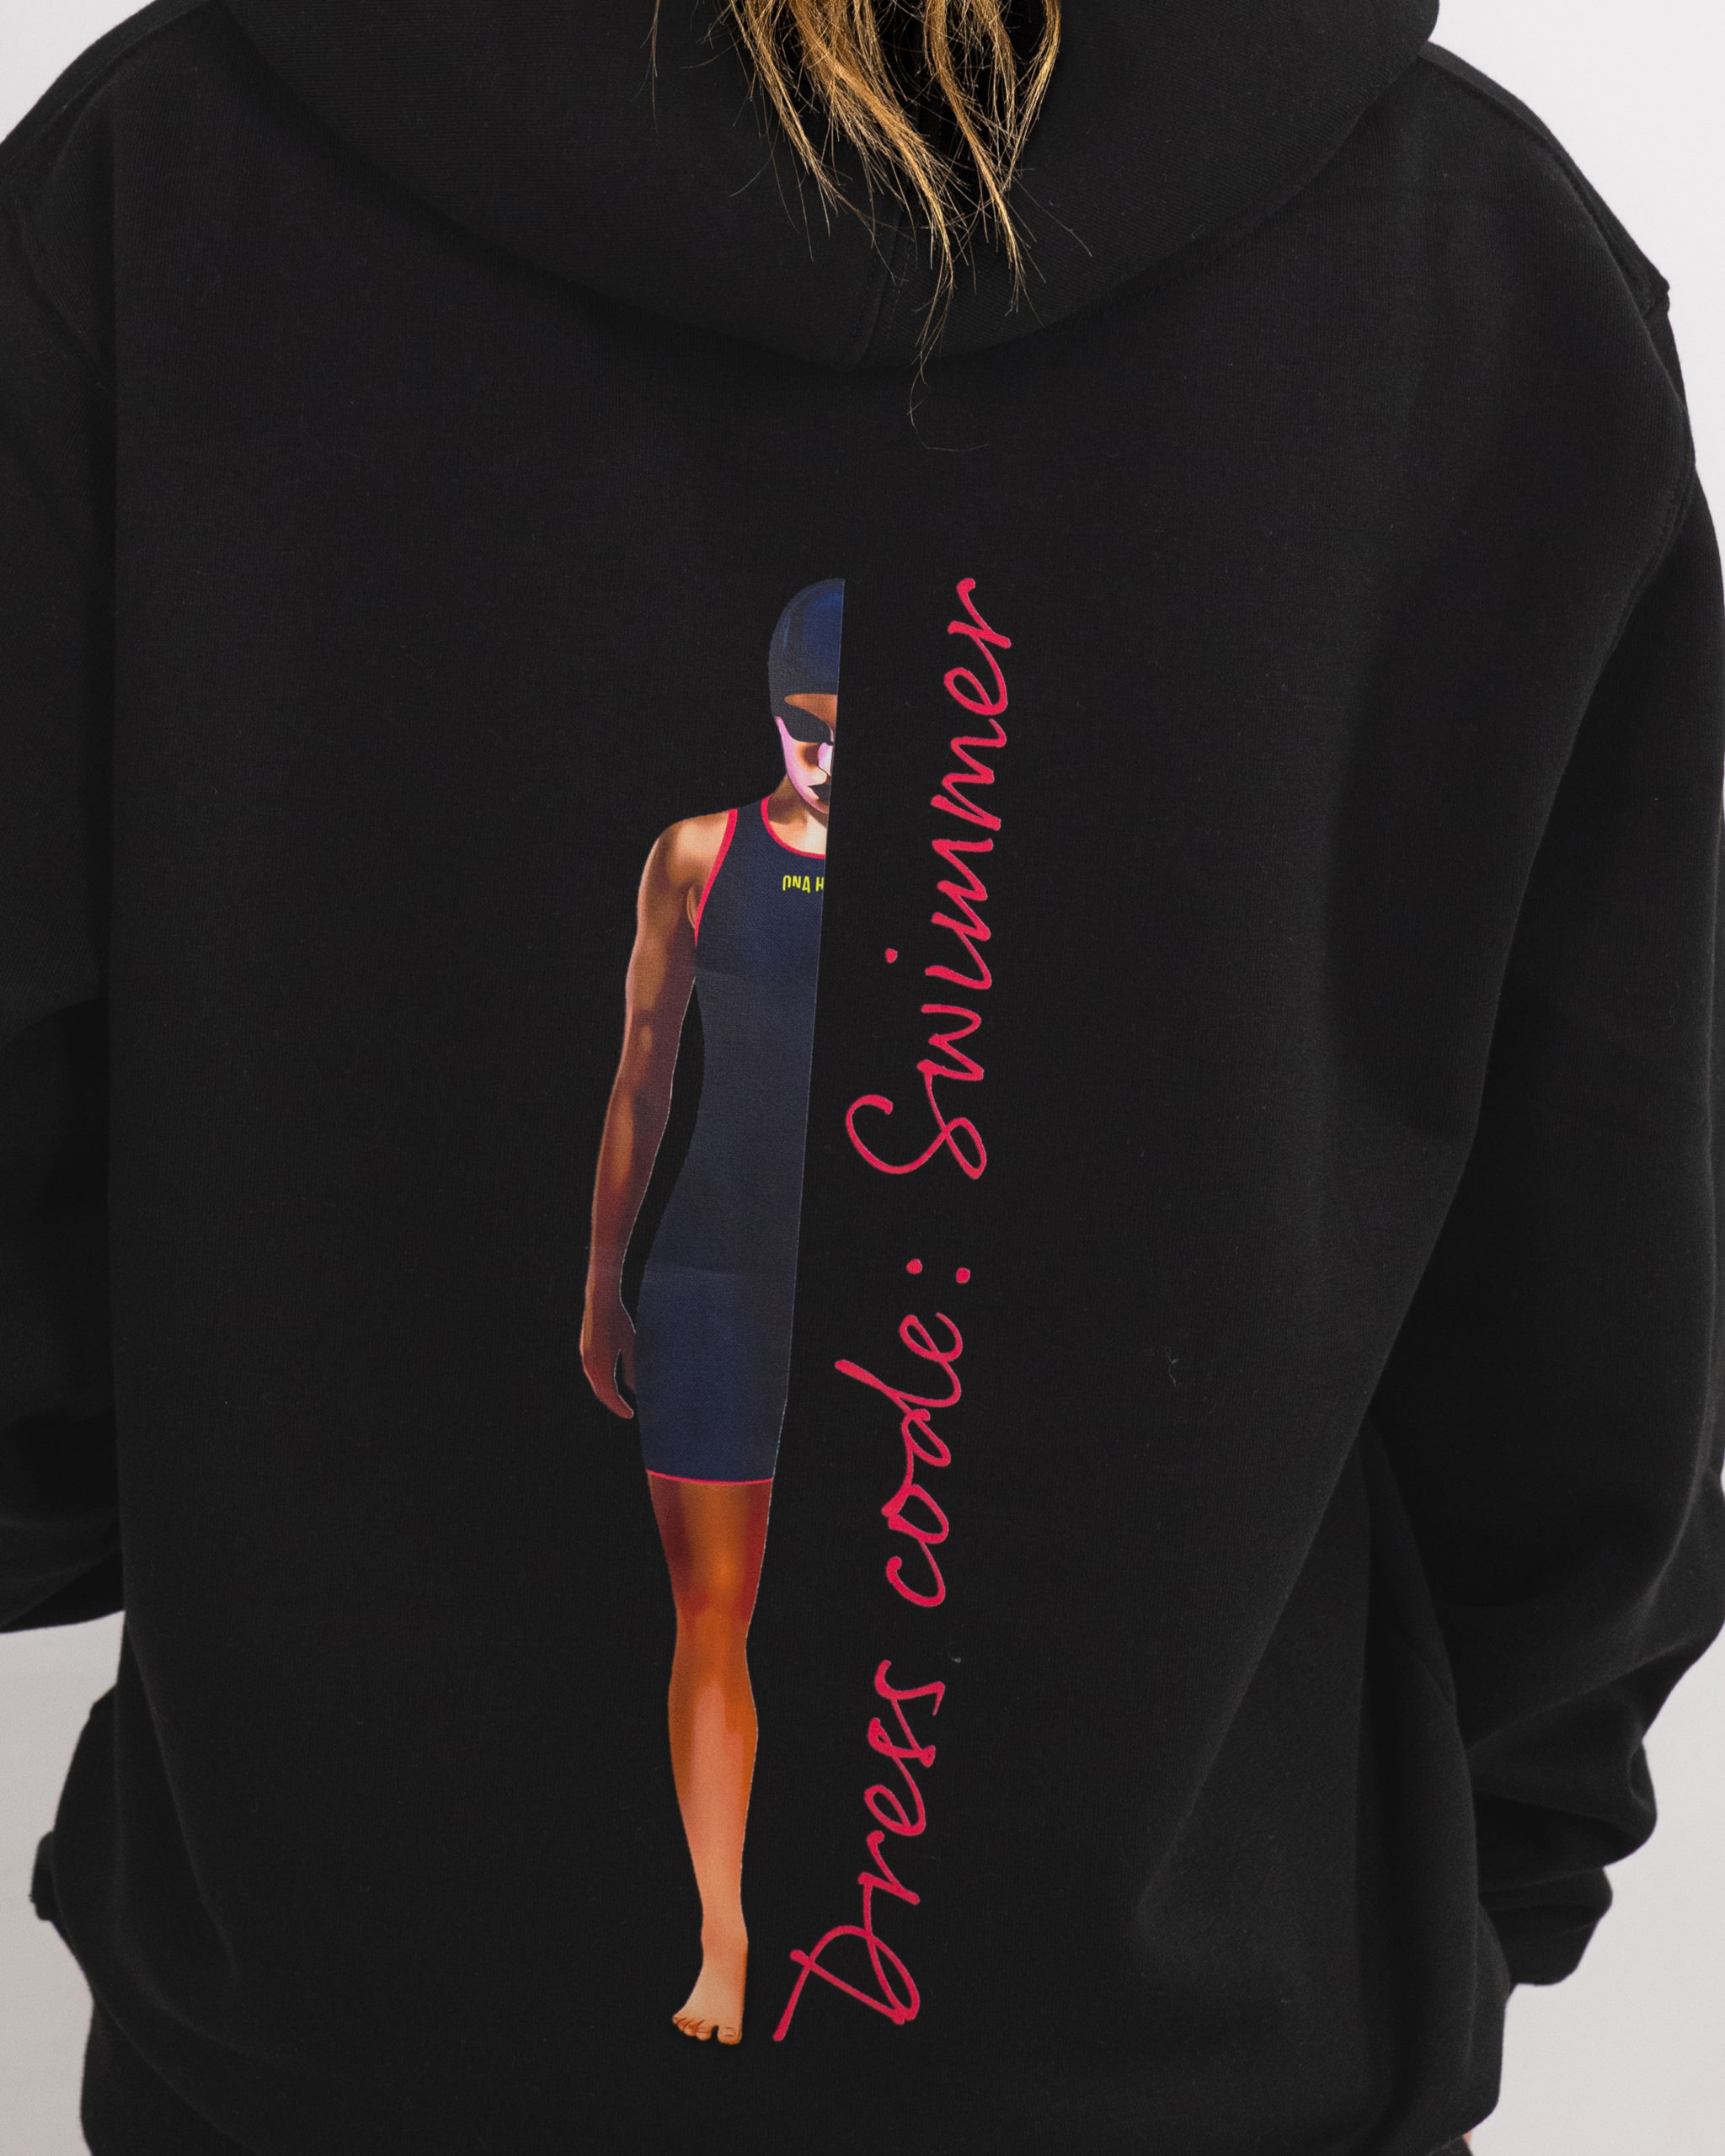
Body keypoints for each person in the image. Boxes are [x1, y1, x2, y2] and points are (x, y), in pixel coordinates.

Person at [1, 3, 1721, 2154]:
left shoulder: (165, 197)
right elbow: (1596, 1325)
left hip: (337, 2040)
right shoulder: (1476, 273)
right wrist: (1468, 1878)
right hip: (1207, 2051)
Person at [580, 579, 841, 2045]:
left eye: (858, 728)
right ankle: (727, 1938)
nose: (830, 754)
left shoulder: (957, 870)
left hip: (880, 1292)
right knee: (713, 1612)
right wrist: (600, 1279)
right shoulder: (699, 853)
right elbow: (641, 1071)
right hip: (719, 1274)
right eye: (808, 725)